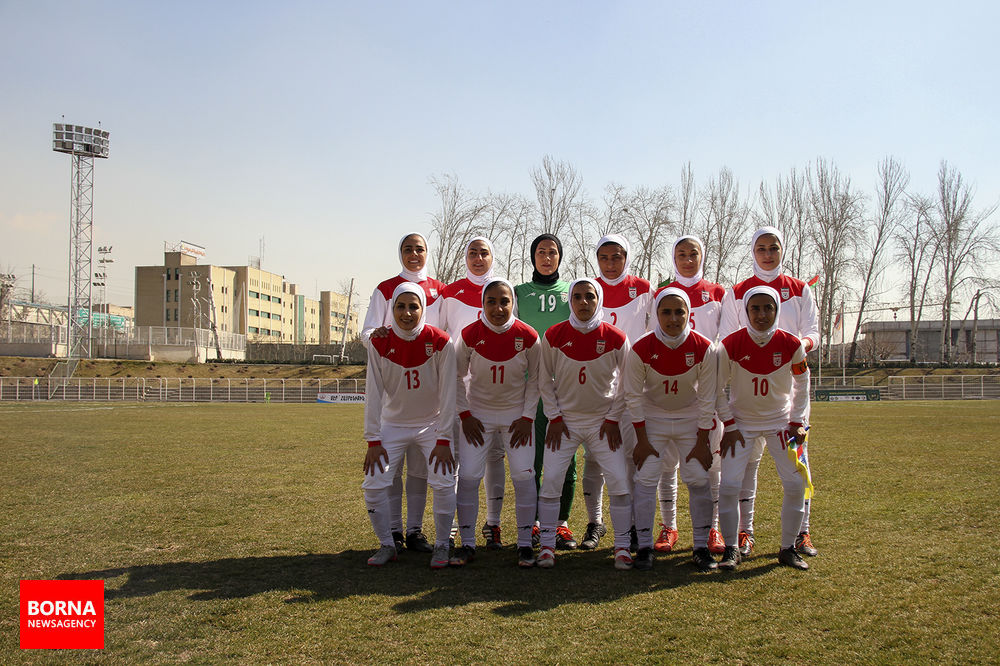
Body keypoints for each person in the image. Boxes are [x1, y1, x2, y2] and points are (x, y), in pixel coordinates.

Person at [718, 227, 820, 558]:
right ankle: (741, 537)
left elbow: (812, 334)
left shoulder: (799, 289)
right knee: (738, 476)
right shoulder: (736, 293)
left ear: (782, 250)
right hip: (743, 416)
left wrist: (796, 351)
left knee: (798, 476)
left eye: (773, 247)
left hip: (787, 413)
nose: (767, 253)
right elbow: (724, 347)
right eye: (761, 248)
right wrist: (729, 422)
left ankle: (798, 537)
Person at [537, 279, 633, 569]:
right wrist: (554, 416)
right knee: (551, 479)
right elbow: (544, 379)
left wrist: (614, 418)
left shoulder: (616, 337)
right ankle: (546, 546)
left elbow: (626, 384)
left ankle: (623, 547)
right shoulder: (553, 334)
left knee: (618, 479)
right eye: (576, 297)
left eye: (589, 296)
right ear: (569, 300)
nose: (583, 302)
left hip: (602, 423)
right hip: (565, 422)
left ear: (598, 299)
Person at [360, 232, 447, 555]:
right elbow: (368, 332)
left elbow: (446, 336)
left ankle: (416, 531)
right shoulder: (385, 288)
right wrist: (378, 336)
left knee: (421, 472)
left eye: (419, 249)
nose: (414, 254)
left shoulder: (441, 290)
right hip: (395, 385)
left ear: (428, 253)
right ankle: (393, 533)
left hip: (430, 387)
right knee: (390, 472)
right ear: (400, 253)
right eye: (407, 249)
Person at [626, 288, 718, 571]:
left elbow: (707, 398)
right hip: (654, 417)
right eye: (666, 311)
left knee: (698, 478)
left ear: (689, 314)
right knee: (645, 478)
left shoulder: (704, 347)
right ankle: (643, 547)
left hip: (691, 418)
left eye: (680, 311)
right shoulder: (640, 348)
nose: (673, 318)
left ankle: (701, 547)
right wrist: (641, 440)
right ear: (656, 314)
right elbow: (632, 397)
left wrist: (703, 441)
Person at [452, 279, 541, 568]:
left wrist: (528, 417)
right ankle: (467, 544)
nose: (498, 308)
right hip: (478, 416)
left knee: (524, 476)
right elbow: (455, 378)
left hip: (517, 417)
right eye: (491, 301)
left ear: (513, 302)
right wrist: (465, 415)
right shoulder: (468, 335)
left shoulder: (528, 336)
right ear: (482, 303)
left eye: (504, 301)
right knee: (468, 476)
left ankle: (525, 545)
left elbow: (537, 380)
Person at [428, 237, 507, 550]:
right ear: (465, 258)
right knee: (459, 459)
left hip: (496, 389)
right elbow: (438, 335)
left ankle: (494, 524)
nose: (478, 258)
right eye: (472, 253)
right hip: (460, 387)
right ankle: (453, 529)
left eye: (484, 253)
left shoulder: (504, 288)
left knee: (494, 457)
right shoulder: (451, 292)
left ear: (492, 257)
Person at [649, 236, 727, 556]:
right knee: (667, 464)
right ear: (673, 258)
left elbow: (725, 338)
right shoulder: (660, 295)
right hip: (669, 390)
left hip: (707, 389)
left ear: (702, 256)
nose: (687, 259)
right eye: (681, 254)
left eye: (693, 253)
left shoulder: (719, 293)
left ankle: (713, 528)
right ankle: (669, 526)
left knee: (711, 462)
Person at [580, 234, 652, 551]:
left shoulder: (646, 289)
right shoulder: (588, 288)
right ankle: (595, 523)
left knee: (631, 459)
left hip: (634, 388)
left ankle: (634, 526)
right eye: (604, 257)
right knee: (594, 460)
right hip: (596, 389)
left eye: (617, 257)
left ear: (627, 257)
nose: (610, 263)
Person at [514, 234, 578, 550]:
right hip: (530, 389)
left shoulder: (572, 292)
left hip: (566, 387)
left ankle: (562, 523)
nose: (547, 257)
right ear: (532, 257)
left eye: (552, 252)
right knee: (534, 458)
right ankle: (538, 523)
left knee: (566, 458)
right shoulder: (518, 293)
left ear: (560, 257)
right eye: (541, 252)